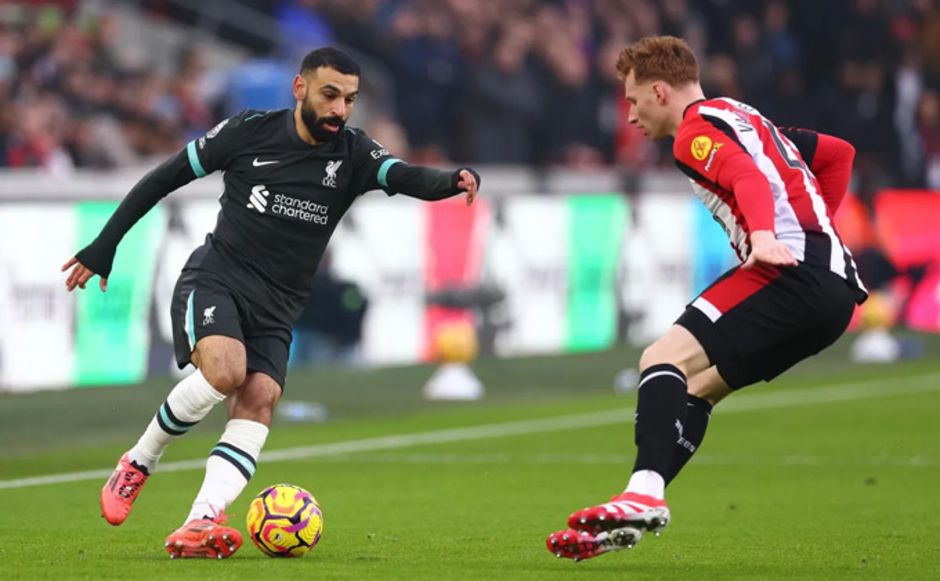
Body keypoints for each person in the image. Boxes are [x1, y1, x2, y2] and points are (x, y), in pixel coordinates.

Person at [61, 47, 480, 559]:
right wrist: (105, 246)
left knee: (259, 400)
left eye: (349, 99)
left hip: (279, 306)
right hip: (217, 279)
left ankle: (200, 521)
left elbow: (404, 175)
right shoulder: (247, 132)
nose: (340, 110)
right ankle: (139, 461)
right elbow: (164, 177)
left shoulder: (352, 153)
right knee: (226, 371)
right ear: (300, 88)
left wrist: (451, 180)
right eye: (330, 95)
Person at [546, 35, 866, 562]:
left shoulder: (694, 132)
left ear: (659, 91)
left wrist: (767, 236)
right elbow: (838, 154)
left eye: (631, 100)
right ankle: (632, 507)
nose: (629, 116)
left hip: (792, 274)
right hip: (834, 296)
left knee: (661, 358)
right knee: (698, 389)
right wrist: (818, 230)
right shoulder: (748, 119)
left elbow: (743, 177)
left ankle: (643, 496)